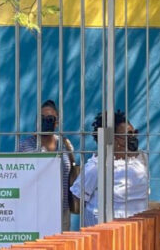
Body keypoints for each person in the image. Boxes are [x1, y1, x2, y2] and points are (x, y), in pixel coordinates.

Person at [71, 111, 150, 226]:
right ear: (114, 139)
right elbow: (78, 199)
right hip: (106, 229)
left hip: (137, 229)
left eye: (134, 133)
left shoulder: (141, 159)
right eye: (128, 135)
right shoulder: (96, 166)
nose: (133, 138)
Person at [19, 99, 80, 231]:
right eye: (42, 118)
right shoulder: (25, 146)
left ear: (57, 122)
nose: (46, 121)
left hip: (61, 210)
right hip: (34, 211)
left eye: (50, 118)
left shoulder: (65, 144)